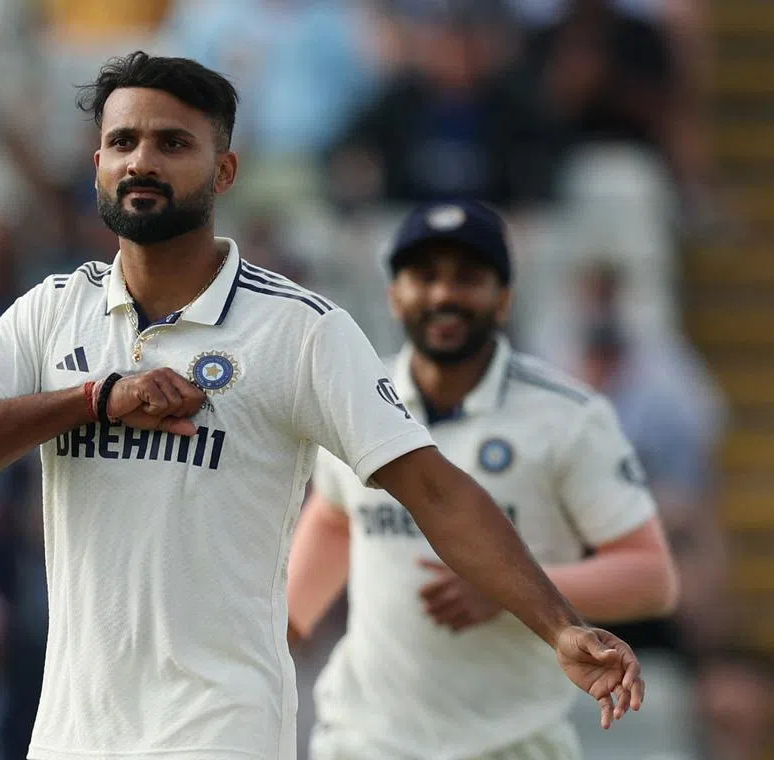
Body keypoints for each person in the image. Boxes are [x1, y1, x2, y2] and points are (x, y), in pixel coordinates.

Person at [0, 53, 646, 760]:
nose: (142, 160)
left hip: (219, 727)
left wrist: (560, 627)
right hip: (73, 733)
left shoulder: (298, 330)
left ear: (224, 171)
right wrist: (94, 399)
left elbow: (435, 488)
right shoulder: (52, 311)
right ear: (99, 166)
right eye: (123, 141)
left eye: (172, 143)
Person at [286, 200, 679, 760]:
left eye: (468, 279)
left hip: (511, 745)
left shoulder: (569, 417)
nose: (444, 295)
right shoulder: (358, 397)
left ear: (505, 299)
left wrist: (510, 588)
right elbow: (334, 517)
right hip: (361, 740)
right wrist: (288, 632)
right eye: (425, 278)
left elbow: (650, 577)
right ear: (394, 296)